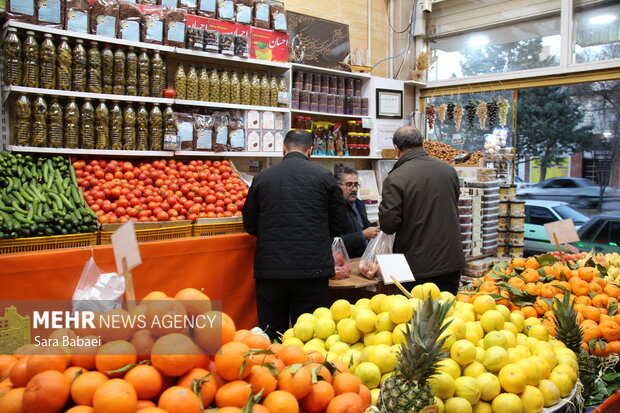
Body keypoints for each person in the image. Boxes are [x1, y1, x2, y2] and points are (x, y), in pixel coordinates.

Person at [243, 129, 348, 340]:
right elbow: (339, 225)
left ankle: (269, 371)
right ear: (310, 151)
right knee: (308, 336)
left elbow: (250, 225)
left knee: (271, 335)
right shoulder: (325, 177)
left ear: (283, 149)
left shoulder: (262, 178)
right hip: (312, 270)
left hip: (271, 270)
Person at [379, 126, 465, 294]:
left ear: (396, 148)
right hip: (451, 261)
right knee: (447, 314)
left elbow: (389, 225)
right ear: (422, 143)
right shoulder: (448, 170)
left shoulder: (396, 177)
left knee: (417, 317)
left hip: (417, 267)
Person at [334, 164, 380, 258]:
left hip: (363, 258)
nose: (354, 189)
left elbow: (362, 228)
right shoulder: (335, 208)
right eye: (349, 184)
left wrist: (376, 224)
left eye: (356, 184)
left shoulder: (359, 204)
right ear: (337, 186)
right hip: (347, 261)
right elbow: (335, 242)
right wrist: (362, 236)